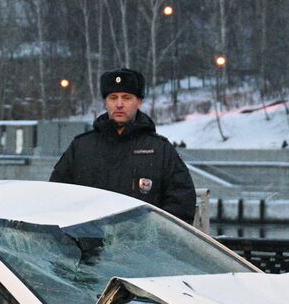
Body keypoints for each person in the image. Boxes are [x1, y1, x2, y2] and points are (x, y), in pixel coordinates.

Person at [49, 67, 197, 223]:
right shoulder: (81, 148)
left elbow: (181, 204)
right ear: (105, 102)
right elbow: (56, 197)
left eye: (126, 98)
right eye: (113, 98)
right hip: (88, 245)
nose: (119, 104)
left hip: (141, 245)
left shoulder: (159, 150)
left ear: (139, 102)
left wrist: (154, 239)